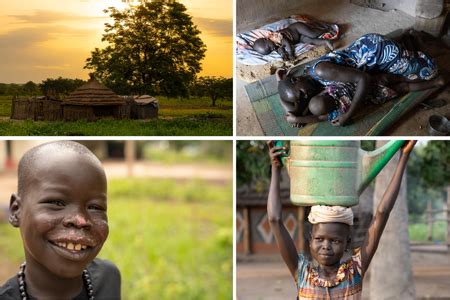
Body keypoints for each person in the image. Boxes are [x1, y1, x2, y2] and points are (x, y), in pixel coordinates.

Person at [266, 140, 416, 299]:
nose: (326, 246)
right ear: (310, 240)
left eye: (335, 241)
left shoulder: (355, 271)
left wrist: (404, 156)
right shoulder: (302, 273)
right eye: (319, 239)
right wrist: (275, 168)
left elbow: (382, 212)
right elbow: (274, 219)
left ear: (347, 243)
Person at [0, 141, 121, 300]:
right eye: (57, 203)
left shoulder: (108, 279)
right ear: (16, 211)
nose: (80, 220)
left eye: (95, 207)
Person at [279, 31, 447, 127]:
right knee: (399, 82)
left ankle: (417, 45)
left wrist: (349, 114)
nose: (306, 95)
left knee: (430, 72)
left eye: (301, 93)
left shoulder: (321, 72)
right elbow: (295, 108)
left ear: (295, 80)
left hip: (378, 51)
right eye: (303, 97)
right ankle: (406, 43)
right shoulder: (308, 79)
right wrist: (297, 117)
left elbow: (364, 79)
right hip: (369, 62)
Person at [253, 22, 334, 61]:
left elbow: (287, 44)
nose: (272, 49)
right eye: (270, 51)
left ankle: (326, 29)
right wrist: (284, 56)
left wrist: (291, 54)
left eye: (269, 47)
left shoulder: (276, 37)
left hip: (297, 28)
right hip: (299, 38)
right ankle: (325, 42)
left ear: (266, 39)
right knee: (310, 41)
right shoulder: (275, 46)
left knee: (312, 34)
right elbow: (280, 51)